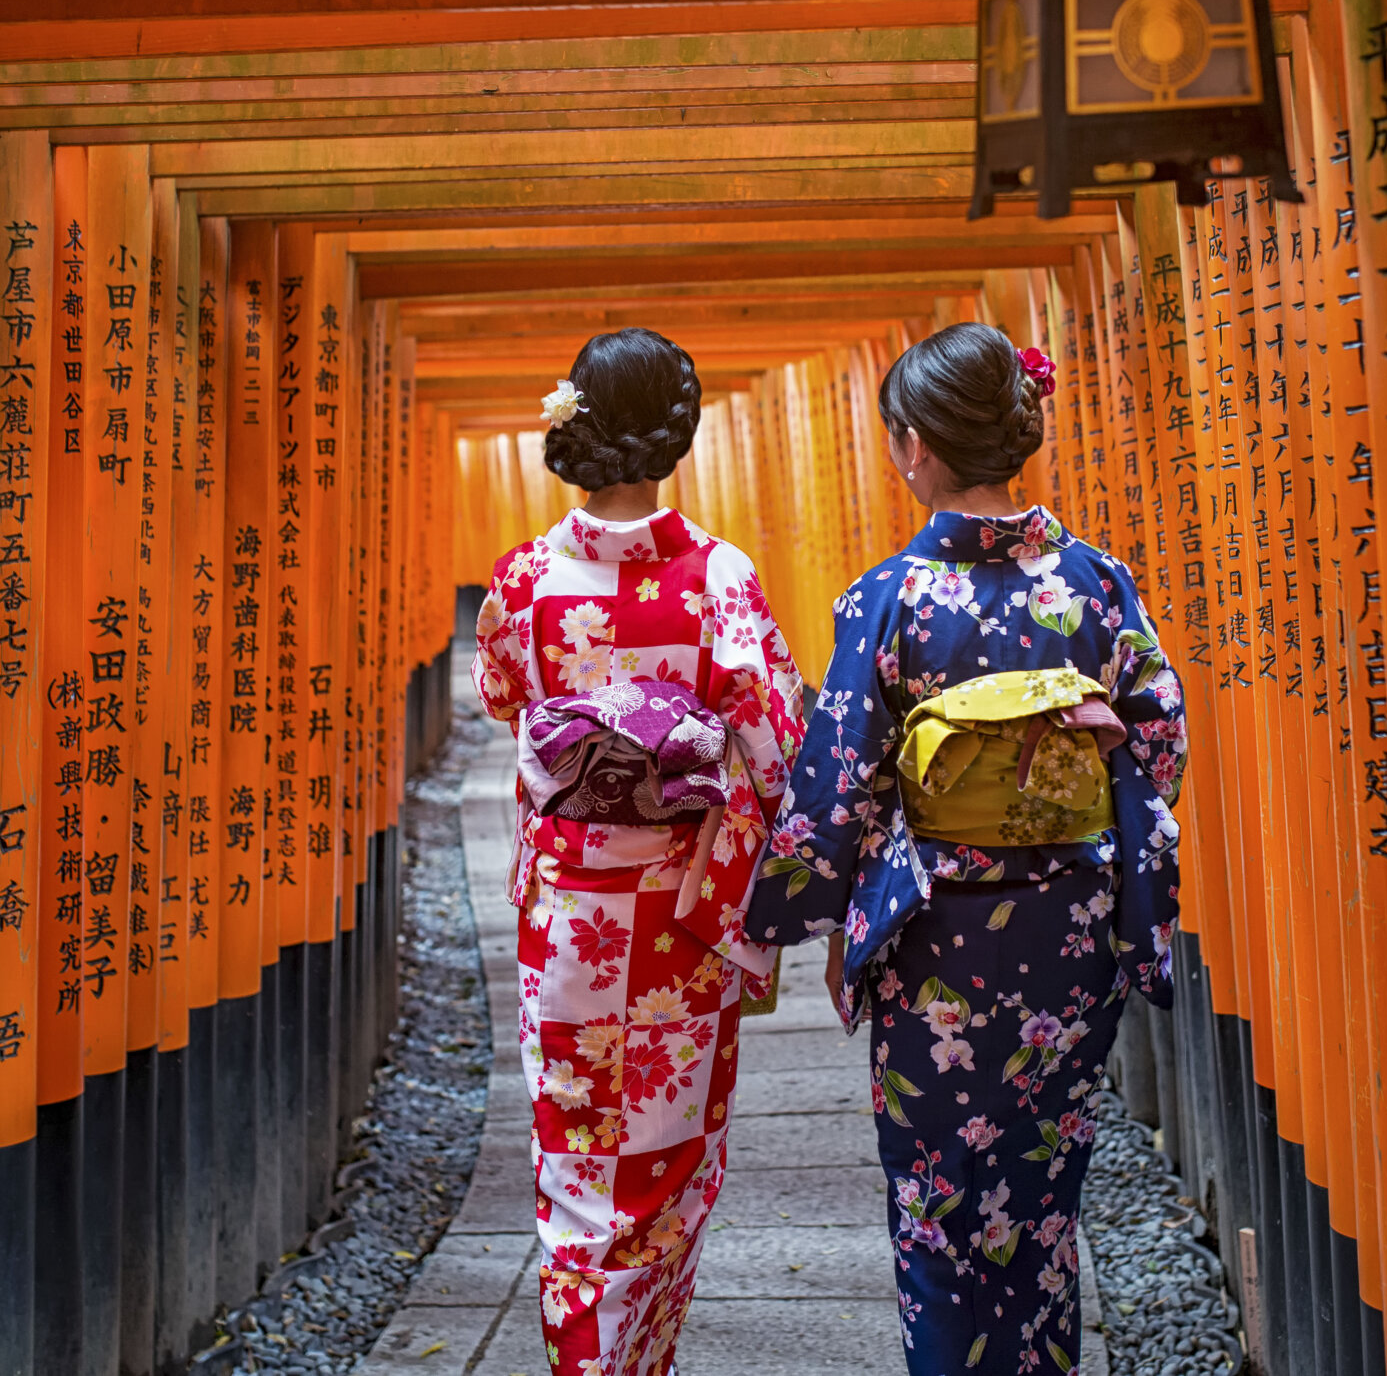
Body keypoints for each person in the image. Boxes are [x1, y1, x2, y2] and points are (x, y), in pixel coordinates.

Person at [745, 321, 1186, 1376]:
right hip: (1068, 922)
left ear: (915, 446)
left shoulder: (888, 598)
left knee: (940, 1198)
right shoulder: (1093, 581)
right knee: (1041, 1191)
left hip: (936, 929)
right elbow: (1157, 734)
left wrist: (783, 912)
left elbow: (838, 782)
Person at [472, 328, 806, 1376]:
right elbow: (771, 736)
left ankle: (589, 1358)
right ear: (680, 427)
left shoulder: (524, 578)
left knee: (575, 1168)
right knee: (666, 1167)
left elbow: (502, 702)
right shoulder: (719, 578)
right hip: (678, 916)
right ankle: (637, 1361)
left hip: (567, 912)